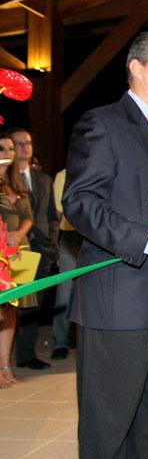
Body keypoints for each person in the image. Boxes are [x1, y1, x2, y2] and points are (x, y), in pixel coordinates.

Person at [63, 30, 148, 459]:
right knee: (108, 424)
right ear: (136, 68)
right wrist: (145, 239)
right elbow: (79, 202)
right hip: (120, 299)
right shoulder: (103, 123)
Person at [7, 127, 58, 370]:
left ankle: (26, 354)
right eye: (19, 143)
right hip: (14, 250)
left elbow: (52, 216)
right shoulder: (5, 180)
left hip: (42, 250)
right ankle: (9, 356)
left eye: (28, 143)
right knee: (11, 305)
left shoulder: (44, 180)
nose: (25, 147)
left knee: (33, 305)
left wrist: (52, 245)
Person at [0, 132, 33, 388]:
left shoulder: (16, 182)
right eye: (2, 149)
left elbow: (29, 217)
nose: (8, 153)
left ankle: (6, 366)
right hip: (2, 252)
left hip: (20, 252)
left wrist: (20, 234)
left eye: (11, 149)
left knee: (11, 311)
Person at [51, 167, 81, 359]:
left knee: (92, 292)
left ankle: (86, 340)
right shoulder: (63, 175)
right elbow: (58, 214)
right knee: (65, 292)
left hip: (95, 237)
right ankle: (59, 343)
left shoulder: (101, 169)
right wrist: (55, 248)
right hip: (71, 238)